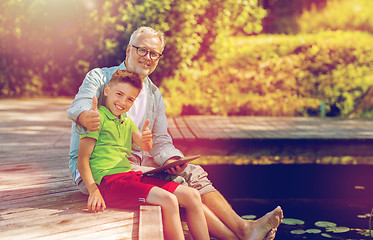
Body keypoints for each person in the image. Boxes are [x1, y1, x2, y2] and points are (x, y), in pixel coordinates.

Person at [68, 26, 283, 240]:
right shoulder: (101, 77)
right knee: (181, 184)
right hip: (103, 171)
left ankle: (244, 229)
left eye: (154, 53)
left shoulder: (154, 93)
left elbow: (161, 138)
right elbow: (81, 105)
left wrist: (172, 158)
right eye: (142, 50)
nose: (147, 57)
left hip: (135, 164)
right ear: (128, 50)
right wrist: (85, 116)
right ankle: (240, 235)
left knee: (192, 172)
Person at [77, 69, 209, 240]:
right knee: (168, 200)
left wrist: (147, 139)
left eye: (130, 99)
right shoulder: (97, 118)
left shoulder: (127, 122)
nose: (123, 102)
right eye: (119, 94)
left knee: (192, 195)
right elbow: (82, 160)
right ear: (107, 90)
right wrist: (94, 191)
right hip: (109, 184)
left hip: (130, 177)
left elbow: (144, 145)